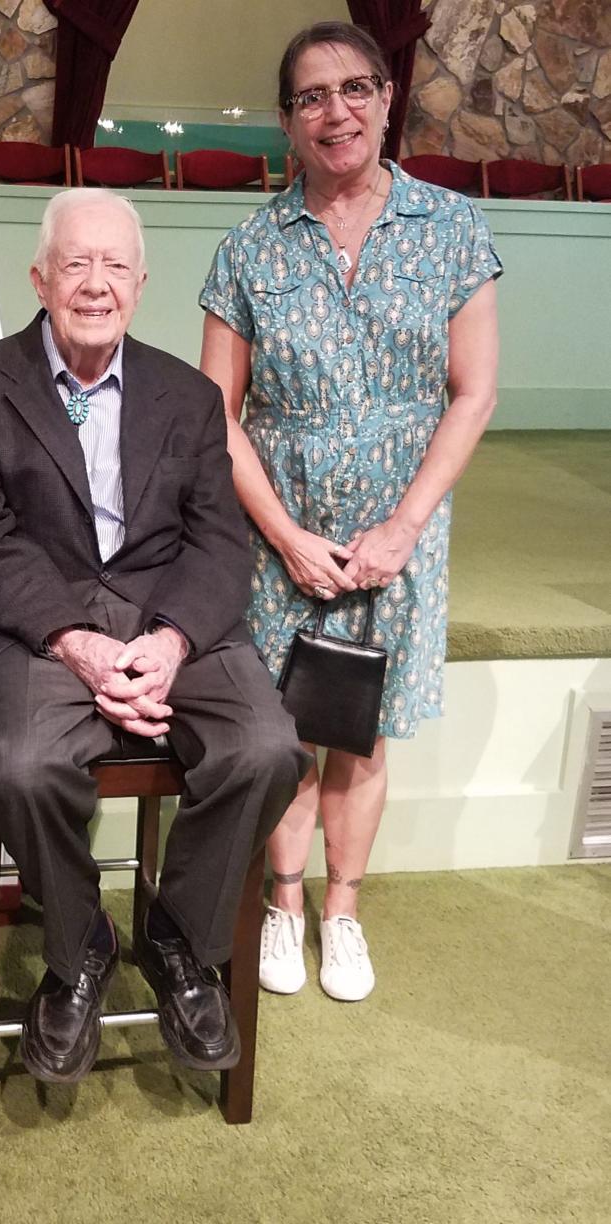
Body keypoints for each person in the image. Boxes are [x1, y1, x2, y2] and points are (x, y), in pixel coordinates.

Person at [0, 188, 309, 1085]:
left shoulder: (189, 394)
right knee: (21, 767)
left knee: (268, 747)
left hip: (173, 620)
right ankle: (82, 941)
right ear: (40, 277)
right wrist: (77, 642)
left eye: (114, 268)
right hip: (40, 627)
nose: (94, 285)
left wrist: (172, 641)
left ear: (141, 284)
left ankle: (179, 933)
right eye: (75, 263)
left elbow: (220, 540)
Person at [199, 21, 501, 1003]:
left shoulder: (452, 229)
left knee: (359, 734)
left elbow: (473, 393)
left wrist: (405, 525)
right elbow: (218, 418)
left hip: (400, 540)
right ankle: (283, 904)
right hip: (278, 538)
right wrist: (286, 538)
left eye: (355, 88)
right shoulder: (248, 248)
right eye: (312, 96)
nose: (338, 112)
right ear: (287, 121)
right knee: (285, 733)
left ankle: (343, 910)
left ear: (384, 98)